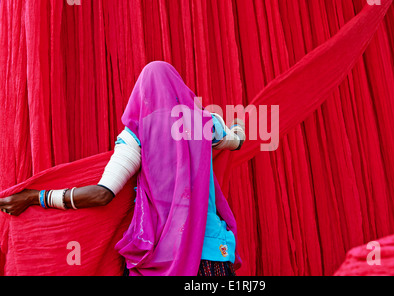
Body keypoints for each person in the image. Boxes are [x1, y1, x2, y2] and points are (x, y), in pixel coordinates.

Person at [0, 61, 245, 276]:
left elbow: (102, 194)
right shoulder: (205, 125)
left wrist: (36, 196)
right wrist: (237, 128)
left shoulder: (135, 136)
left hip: (162, 255)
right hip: (211, 250)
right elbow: (237, 141)